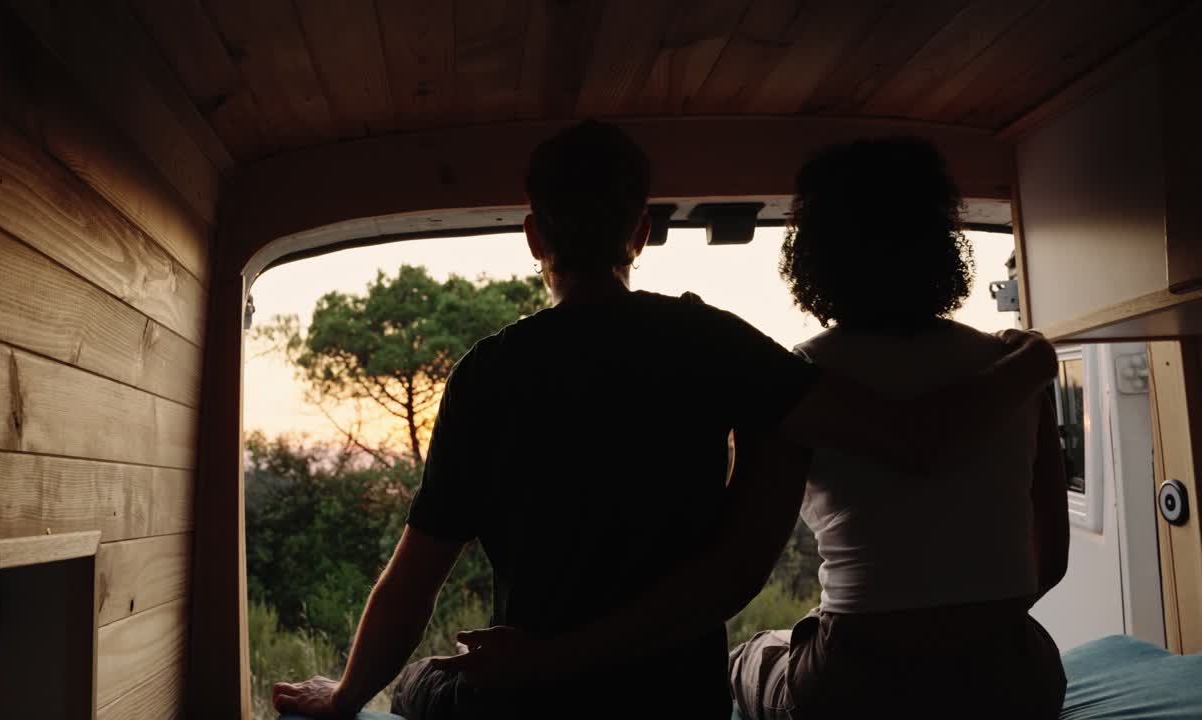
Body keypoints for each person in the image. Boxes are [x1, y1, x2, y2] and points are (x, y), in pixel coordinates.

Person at [271, 123, 1058, 719]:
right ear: (640, 231)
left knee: (424, 682)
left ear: (534, 235)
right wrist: (1030, 361)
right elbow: (900, 450)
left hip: (530, 697)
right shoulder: (718, 344)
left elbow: (414, 577)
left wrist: (344, 696)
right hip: (676, 697)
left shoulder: (486, 371)